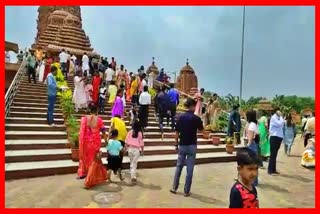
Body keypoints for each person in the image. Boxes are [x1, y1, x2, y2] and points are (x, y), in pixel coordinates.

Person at [170, 98, 205, 197]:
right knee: (190, 169)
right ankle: (186, 191)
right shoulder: (196, 119)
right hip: (192, 145)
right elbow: (203, 132)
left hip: (182, 145)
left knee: (179, 166)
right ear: (193, 106)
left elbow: (176, 132)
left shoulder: (180, 117)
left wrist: (176, 144)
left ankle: (174, 187)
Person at [78, 105, 106, 179]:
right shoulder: (99, 119)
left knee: (85, 157)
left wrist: (81, 141)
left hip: (86, 141)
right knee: (94, 158)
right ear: (96, 111)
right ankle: (92, 174)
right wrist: (106, 140)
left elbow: (81, 132)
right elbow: (103, 130)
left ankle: (84, 172)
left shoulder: (84, 119)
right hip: (95, 142)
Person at [109, 115, 128, 180]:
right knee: (120, 159)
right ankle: (120, 175)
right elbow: (126, 133)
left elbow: (111, 126)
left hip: (116, 140)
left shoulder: (114, 118)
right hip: (122, 141)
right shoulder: (122, 122)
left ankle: (111, 174)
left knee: (111, 160)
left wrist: (109, 136)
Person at [245, 110, 260, 186]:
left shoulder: (252, 125)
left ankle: (253, 182)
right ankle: (254, 181)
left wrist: (248, 145)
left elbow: (250, 137)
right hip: (253, 144)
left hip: (251, 144)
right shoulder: (254, 124)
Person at [268, 108, 285, 175]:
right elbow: (280, 124)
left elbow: (282, 124)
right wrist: (281, 116)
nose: (280, 112)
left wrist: (281, 117)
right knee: (273, 154)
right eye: (279, 110)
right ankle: (270, 170)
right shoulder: (274, 117)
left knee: (275, 154)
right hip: (274, 137)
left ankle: (273, 169)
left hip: (278, 137)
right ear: (276, 111)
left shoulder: (278, 117)